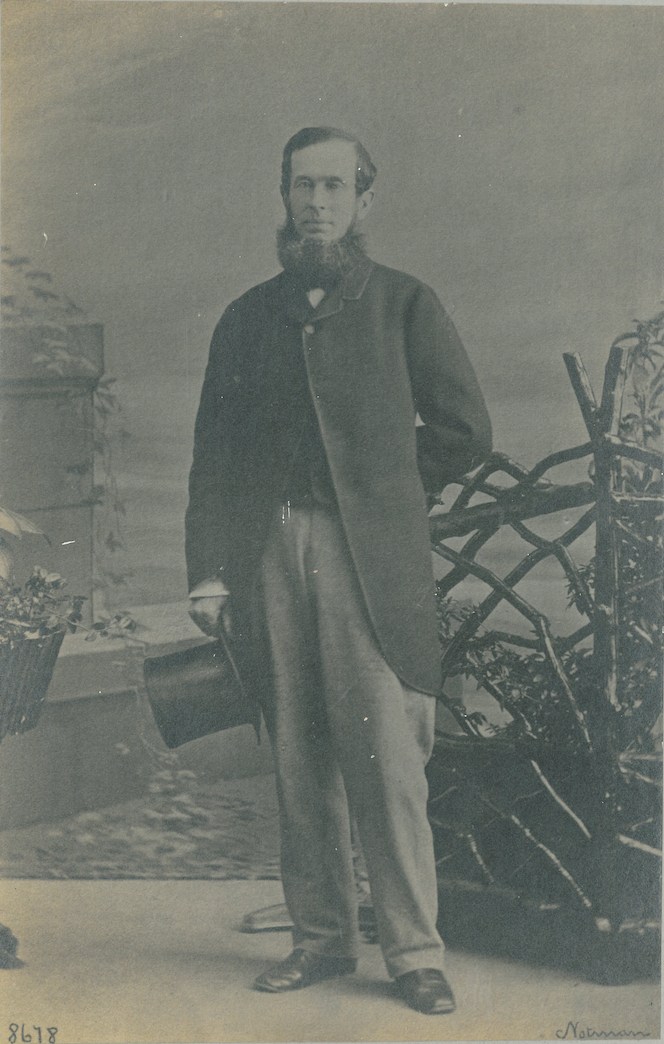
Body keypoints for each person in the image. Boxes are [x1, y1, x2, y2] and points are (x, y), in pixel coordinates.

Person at [185, 126, 492, 1015]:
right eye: (301, 186)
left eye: (333, 186)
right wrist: (209, 572)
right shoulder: (248, 317)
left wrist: (384, 492)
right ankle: (320, 939)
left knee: (389, 759)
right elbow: (215, 454)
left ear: (365, 198)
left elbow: (468, 431)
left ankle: (413, 954)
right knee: (297, 755)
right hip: (267, 558)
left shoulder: (405, 304)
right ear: (283, 198)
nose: (316, 203)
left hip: (369, 562)